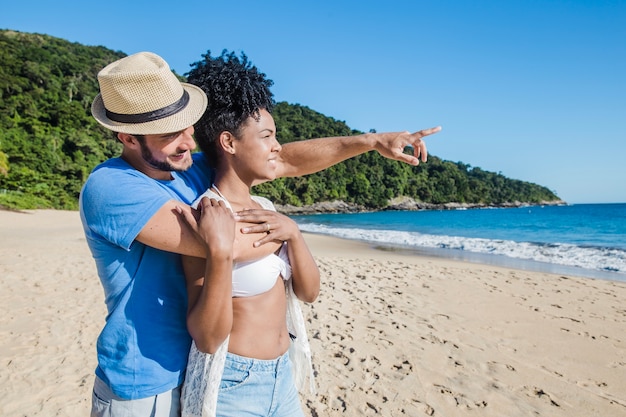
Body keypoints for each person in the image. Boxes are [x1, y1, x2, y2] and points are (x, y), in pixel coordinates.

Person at [80, 51, 440, 417]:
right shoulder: (111, 187)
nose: (188, 141)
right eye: (171, 133)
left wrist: (372, 142)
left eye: (188, 126)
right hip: (145, 380)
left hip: (200, 366)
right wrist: (284, 230)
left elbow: (278, 159)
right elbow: (229, 244)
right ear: (127, 137)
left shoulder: (183, 164)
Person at [177, 51, 320, 416]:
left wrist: (294, 233)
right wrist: (221, 253)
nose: (277, 146)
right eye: (267, 136)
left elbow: (309, 292)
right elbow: (208, 338)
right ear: (229, 143)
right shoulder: (208, 216)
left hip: (282, 376)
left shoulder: (267, 209)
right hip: (233, 387)